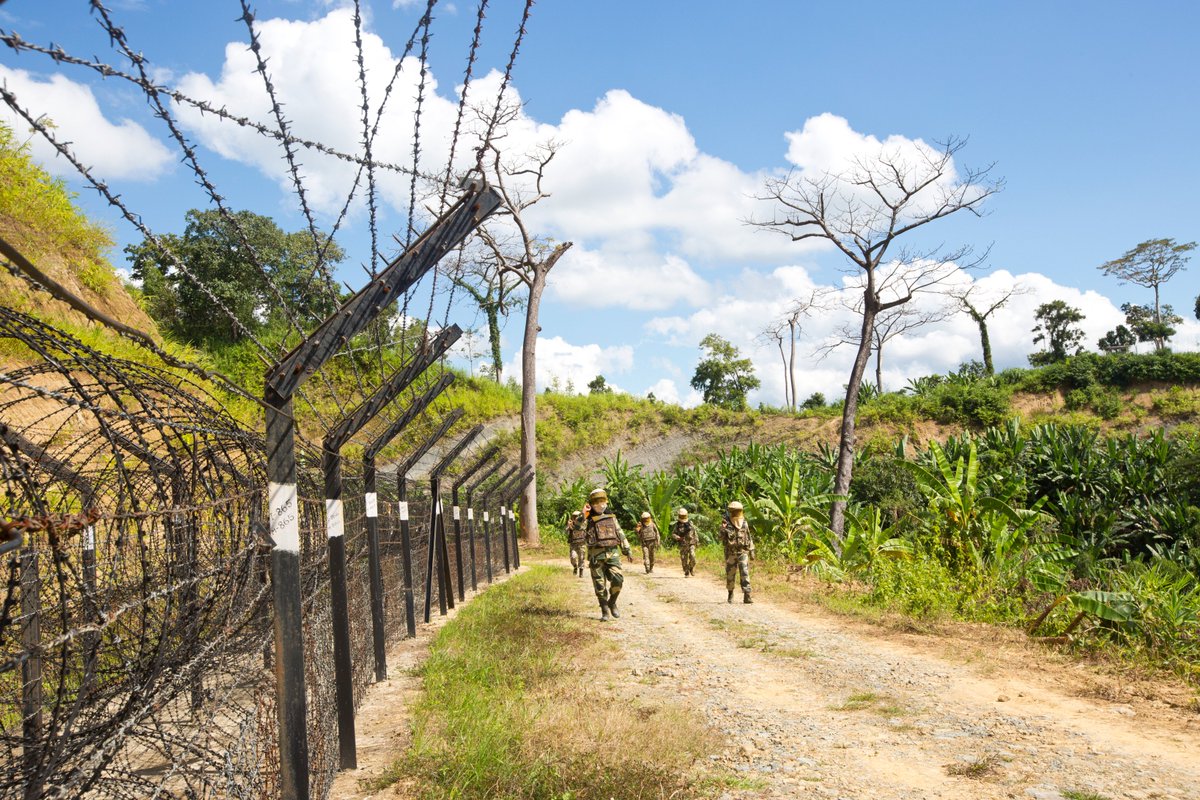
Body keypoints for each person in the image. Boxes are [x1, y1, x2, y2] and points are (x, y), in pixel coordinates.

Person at [584, 488, 632, 620]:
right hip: (596, 556)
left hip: (612, 554)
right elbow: (576, 528)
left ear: (606, 502)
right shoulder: (587, 519)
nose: (600, 505)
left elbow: (619, 532)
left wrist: (627, 549)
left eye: (602, 501)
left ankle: (612, 602)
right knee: (599, 586)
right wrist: (583, 514)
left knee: (618, 579)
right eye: (597, 502)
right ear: (592, 504)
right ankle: (605, 610)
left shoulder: (612, 517)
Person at [719, 500, 755, 604]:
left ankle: (747, 595)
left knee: (745, 572)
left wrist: (752, 550)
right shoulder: (726, 523)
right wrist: (723, 528)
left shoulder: (744, 523)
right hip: (730, 553)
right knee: (730, 574)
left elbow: (749, 537)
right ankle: (730, 593)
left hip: (743, 552)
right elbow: (720, 538)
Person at [671, 507, 698, 576]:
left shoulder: (690, 523)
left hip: (691, 543)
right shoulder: (677, 525)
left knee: (693, 556)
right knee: (684, 560)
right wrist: (678, 538)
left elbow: (695, 532)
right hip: (683, 544)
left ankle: (691, 568)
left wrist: (697, 541)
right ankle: (686, 571)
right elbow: (673, 534)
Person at [566, 510, 588, 577]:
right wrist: (569, 525)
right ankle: (575, 567)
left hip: (581, 543)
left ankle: (581, 572)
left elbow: (583, 525)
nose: (575, 517)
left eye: (576, 516)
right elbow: (566, 532)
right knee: (573, 557)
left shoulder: (583, 523)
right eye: (574, 516)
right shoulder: (571, 524)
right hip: (573, 544)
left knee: (581, 558)